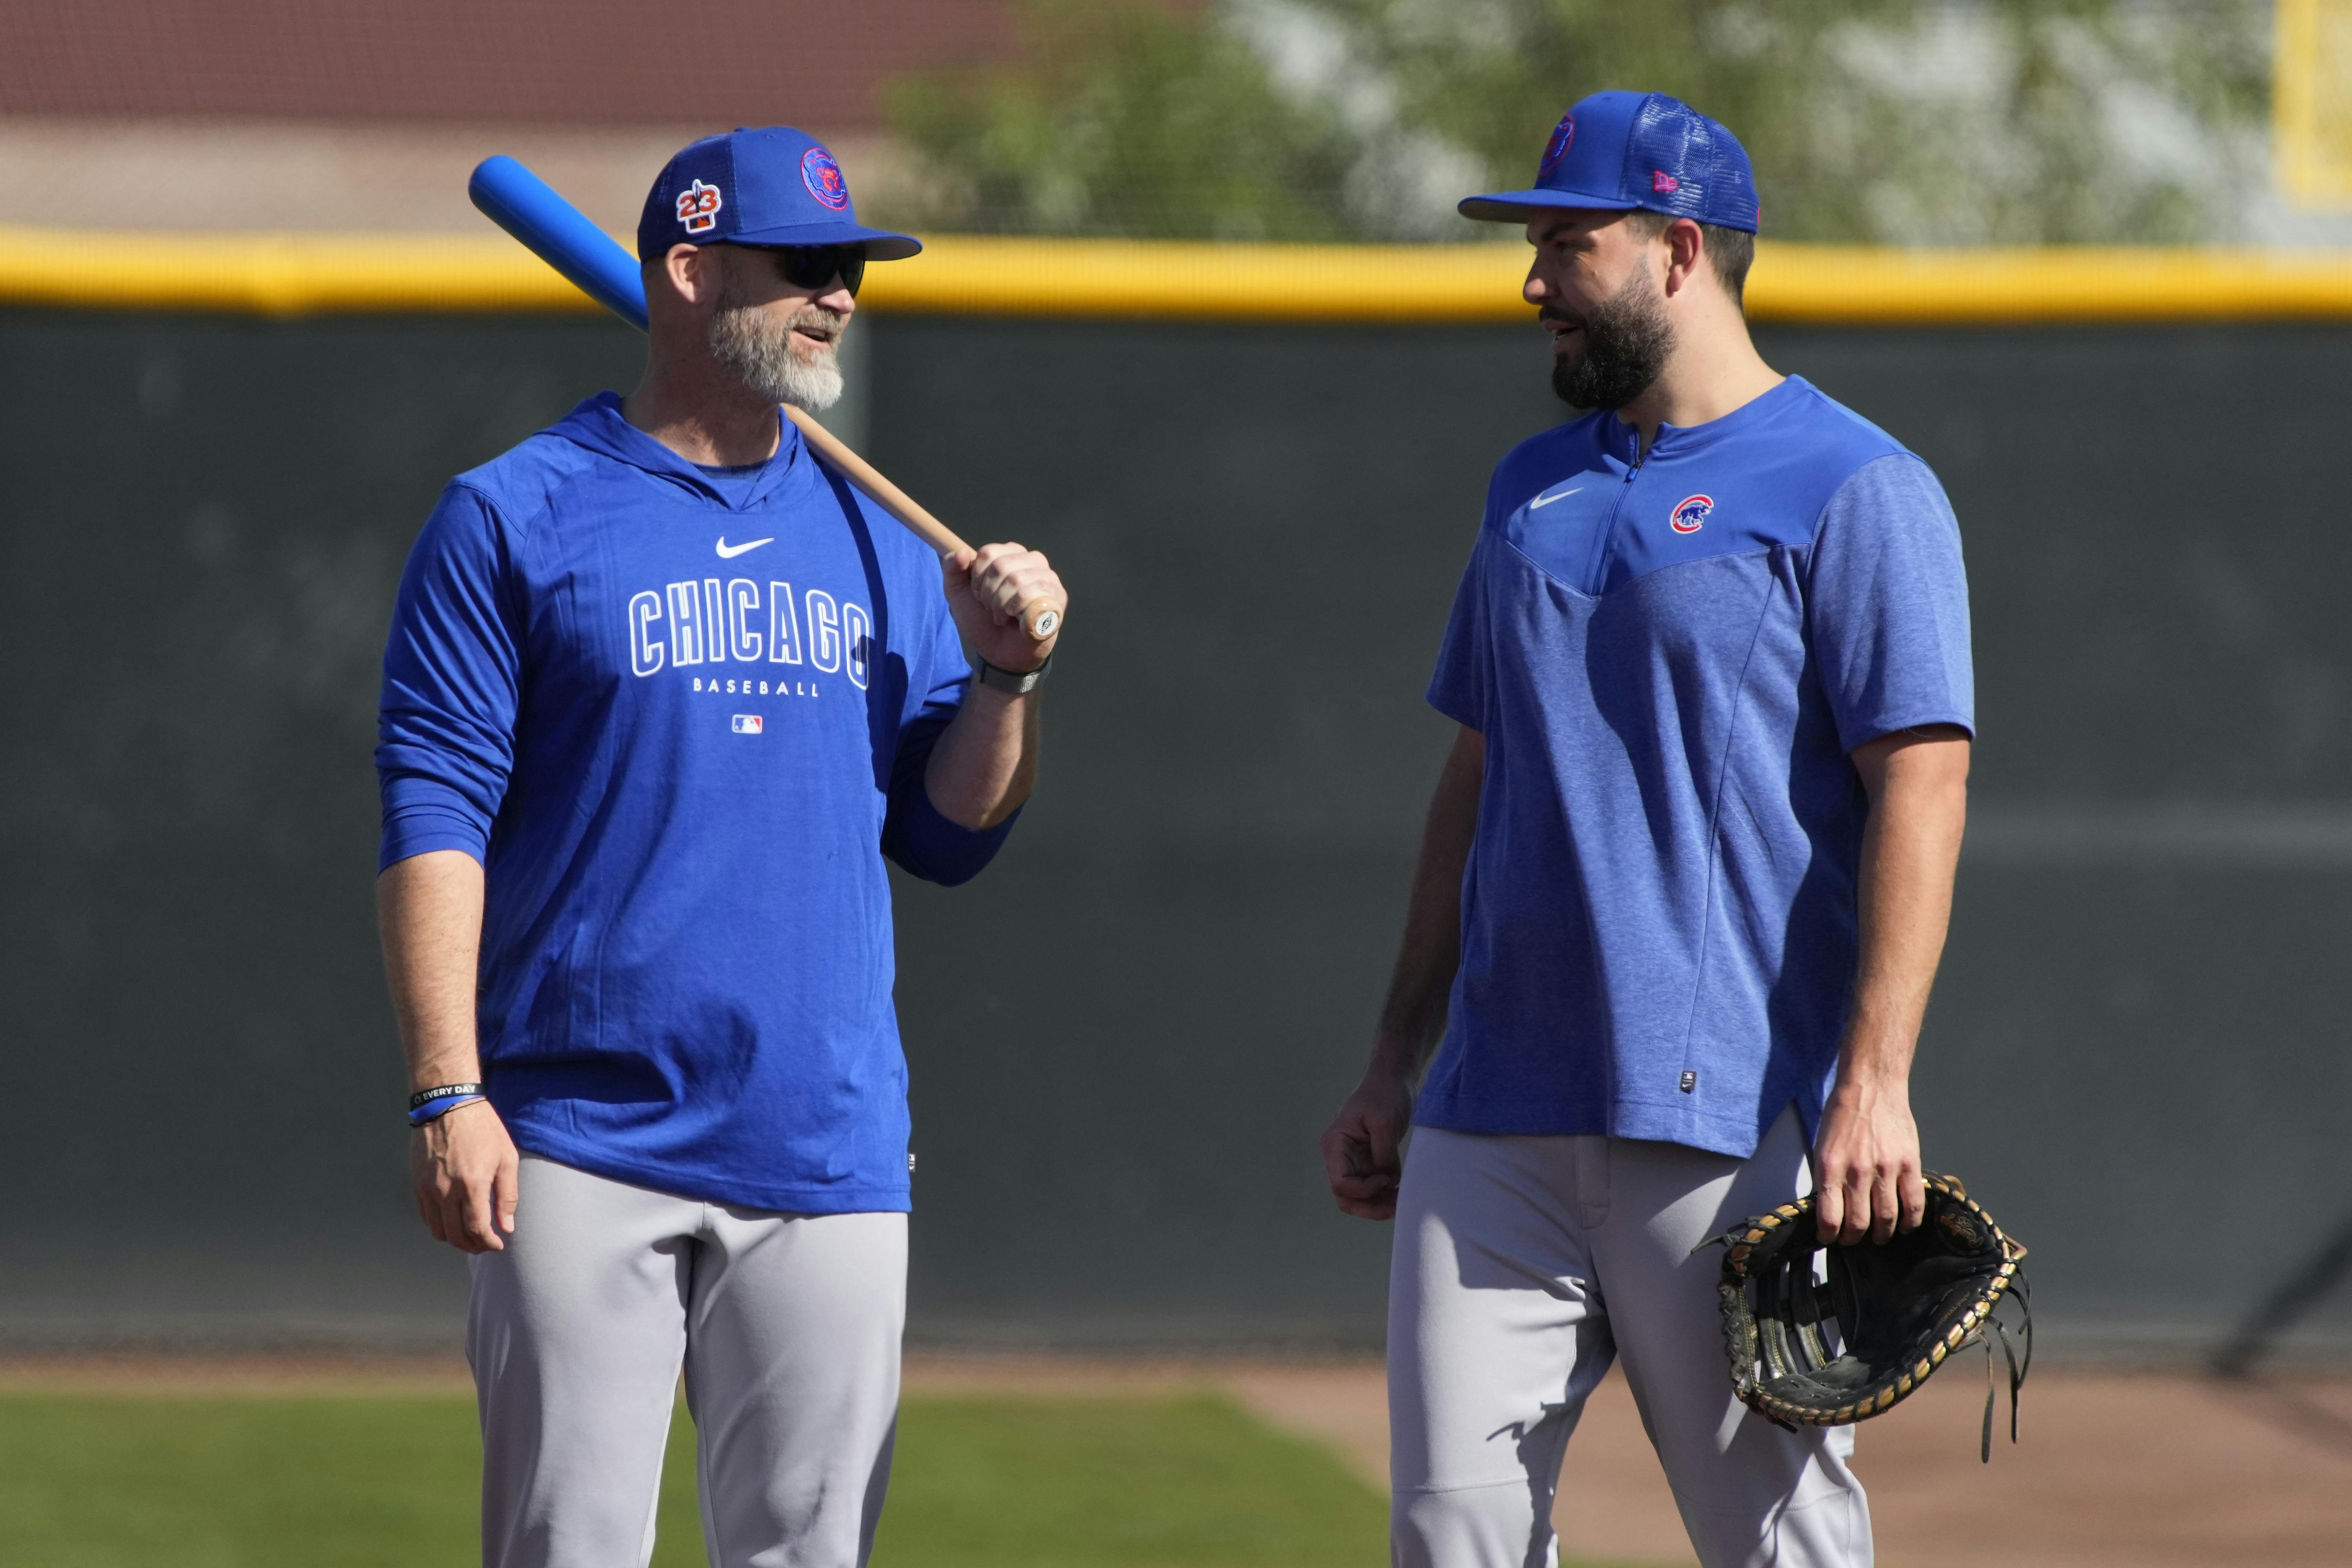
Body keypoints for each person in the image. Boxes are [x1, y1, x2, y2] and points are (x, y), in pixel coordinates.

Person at [374, 126, 1066, 1568]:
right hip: (575, 1135)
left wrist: (1002, 677)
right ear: (688, 272)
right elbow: (432, 808)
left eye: (853, 270)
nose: (840, 296)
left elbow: (948, 832)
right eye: (805, 267)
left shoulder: (880, 540)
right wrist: (449, 1087)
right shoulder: (513, 512)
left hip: (822, 1135)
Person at [1319, 91, 1971, 1568]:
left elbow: (1921, 785)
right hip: (1490, 1116)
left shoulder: (1853, 486)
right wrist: (1391, 1056)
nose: (1532, 280)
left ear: (1679, 250)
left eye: (1567, 240)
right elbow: (1474, 779)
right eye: (1532, 241)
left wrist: (1872, 1084)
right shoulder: (1528, 489)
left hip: (1721, 1119)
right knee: (1448, 1536)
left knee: (1778, 1545)